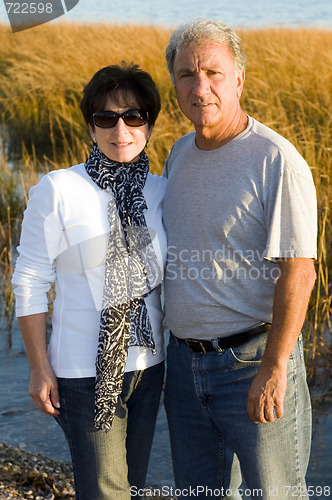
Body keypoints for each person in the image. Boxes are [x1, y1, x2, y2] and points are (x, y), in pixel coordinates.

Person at [163, 18, 317, 499]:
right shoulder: (178, 153)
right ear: (174, 83)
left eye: (213, 72)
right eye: (187, 74)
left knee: (276, 494)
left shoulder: (275, 159)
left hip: (251, 364)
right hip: (184, 369)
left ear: (239, 80)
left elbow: (300, 270)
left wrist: (275, 367)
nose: (200, 86)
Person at [12, 62, 167, 500]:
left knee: (131, 487)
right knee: (104, 492)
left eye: (133, 116)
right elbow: (29, 279)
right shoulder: (59, 189)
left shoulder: (159, 190)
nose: (121, 128)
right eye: (106, 118)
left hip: (148, 369)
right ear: (91, 127)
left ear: (149, 126)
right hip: (84, 372)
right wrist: (39, 367)